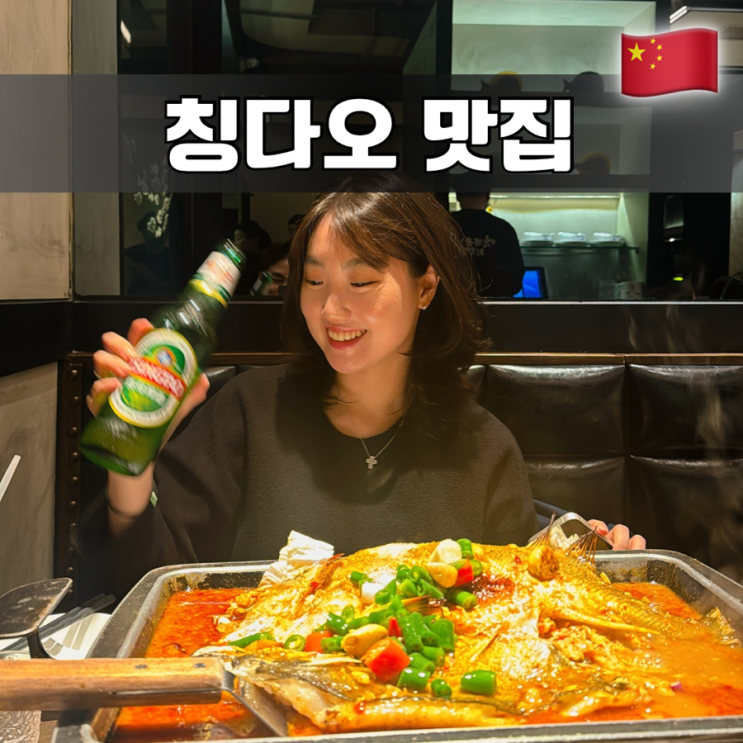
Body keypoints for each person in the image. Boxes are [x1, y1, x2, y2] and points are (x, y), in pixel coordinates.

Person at [78, 174, 644, 598]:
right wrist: (134, 462)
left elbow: (520, 603)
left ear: (425, 289)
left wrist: (597, 570)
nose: (331, 309)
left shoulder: (483, 446)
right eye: (314, 280)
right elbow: (137, 593)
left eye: (362, 280)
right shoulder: (248, 413)